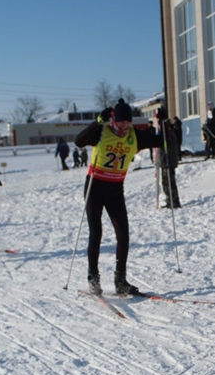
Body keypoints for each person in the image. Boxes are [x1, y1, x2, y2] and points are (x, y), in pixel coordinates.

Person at [74, 98, 165, 296]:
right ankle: (93, 277)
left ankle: (120, 280)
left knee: (123, 234)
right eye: (122, 122)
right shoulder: (102, 132)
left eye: (128, 122)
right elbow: (79, 141)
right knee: (96, 232)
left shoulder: (134, 136)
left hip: (115, 190)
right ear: (114, 120)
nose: (125, 126)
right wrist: (97, 123)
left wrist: (164, 125)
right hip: (95, 187)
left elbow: (161, 141)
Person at [155, 107, 181, 208]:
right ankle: (170, 199)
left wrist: (166, 158)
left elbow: (167, 143)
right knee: (166, 181)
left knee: (169, 181)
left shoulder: (166, 129)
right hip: (166, 159)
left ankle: (173, 200)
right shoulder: (165, 127)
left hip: (168, 160)